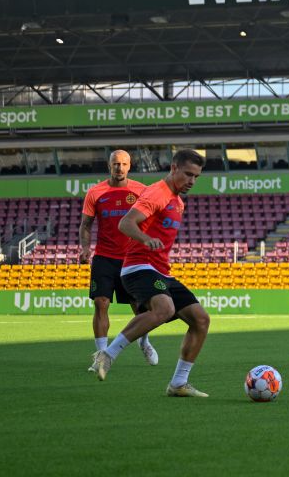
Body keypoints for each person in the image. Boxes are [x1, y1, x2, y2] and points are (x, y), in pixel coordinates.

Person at [90, 149, 211, 398]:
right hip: (138, 266)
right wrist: (146, 239)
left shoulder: (178, 201)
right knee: (164, 308)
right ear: (174, 168)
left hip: (159, 271)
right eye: (188, 174)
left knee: (200, 320)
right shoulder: (158, 192)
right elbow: (126, 223)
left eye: (196, 176)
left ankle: (178, 383)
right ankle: (108, 355)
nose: (192, 181)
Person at [79, 150, 157, 370]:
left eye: (123, 164)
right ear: (109, 165)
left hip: (132, 258)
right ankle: (101, 354)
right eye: (115, 164)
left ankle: (144, 341)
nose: (119, 168)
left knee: (139, 307)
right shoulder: (95, 192)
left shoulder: (142, 191)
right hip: (104, 257)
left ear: (129, 166)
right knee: (100, 303)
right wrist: (85, 249)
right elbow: (85, 225)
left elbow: (152, 220)